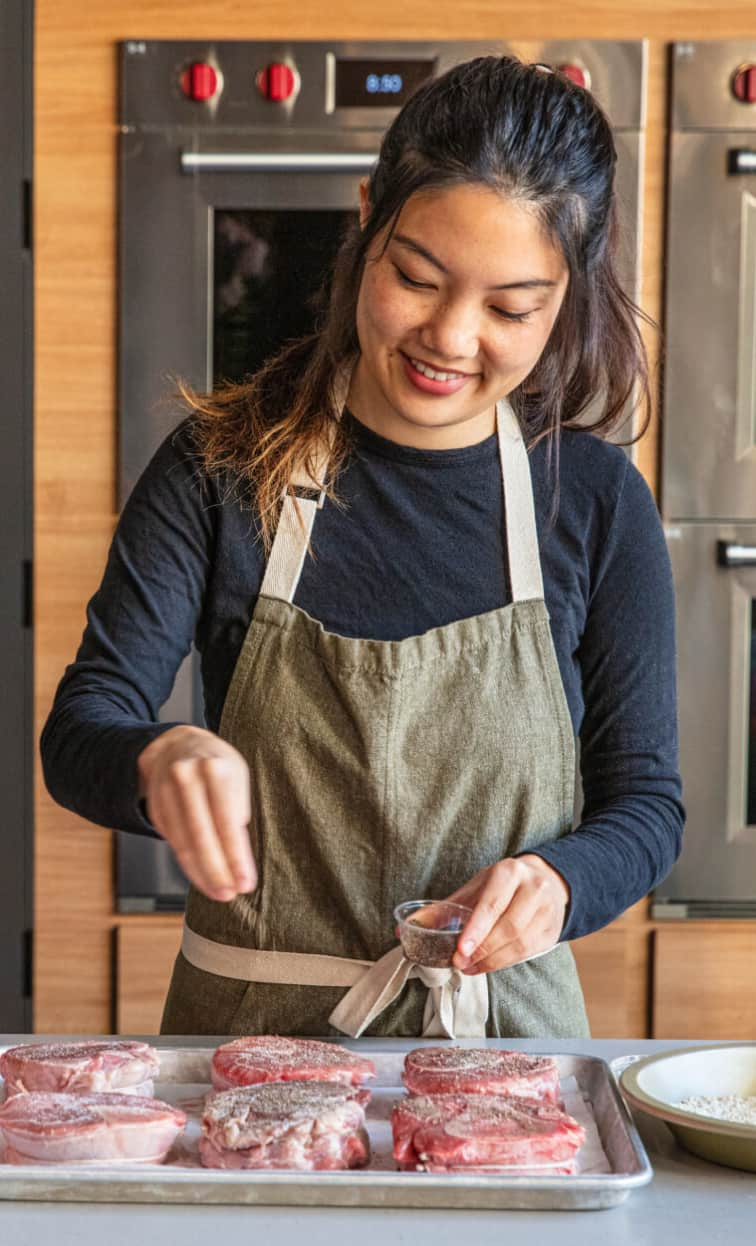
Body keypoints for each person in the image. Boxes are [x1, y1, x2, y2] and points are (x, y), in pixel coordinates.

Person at [41, 56, 684, 1038]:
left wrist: (563, 877)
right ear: (366, 217)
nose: (452, 338)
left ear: (565, 295)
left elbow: (645, 806)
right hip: (250, 1053)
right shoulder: (219, 468)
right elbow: (84, 726)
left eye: (512, 307)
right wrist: (157, 754)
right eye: (417, 278)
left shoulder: (595, 503)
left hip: (503, 1058)